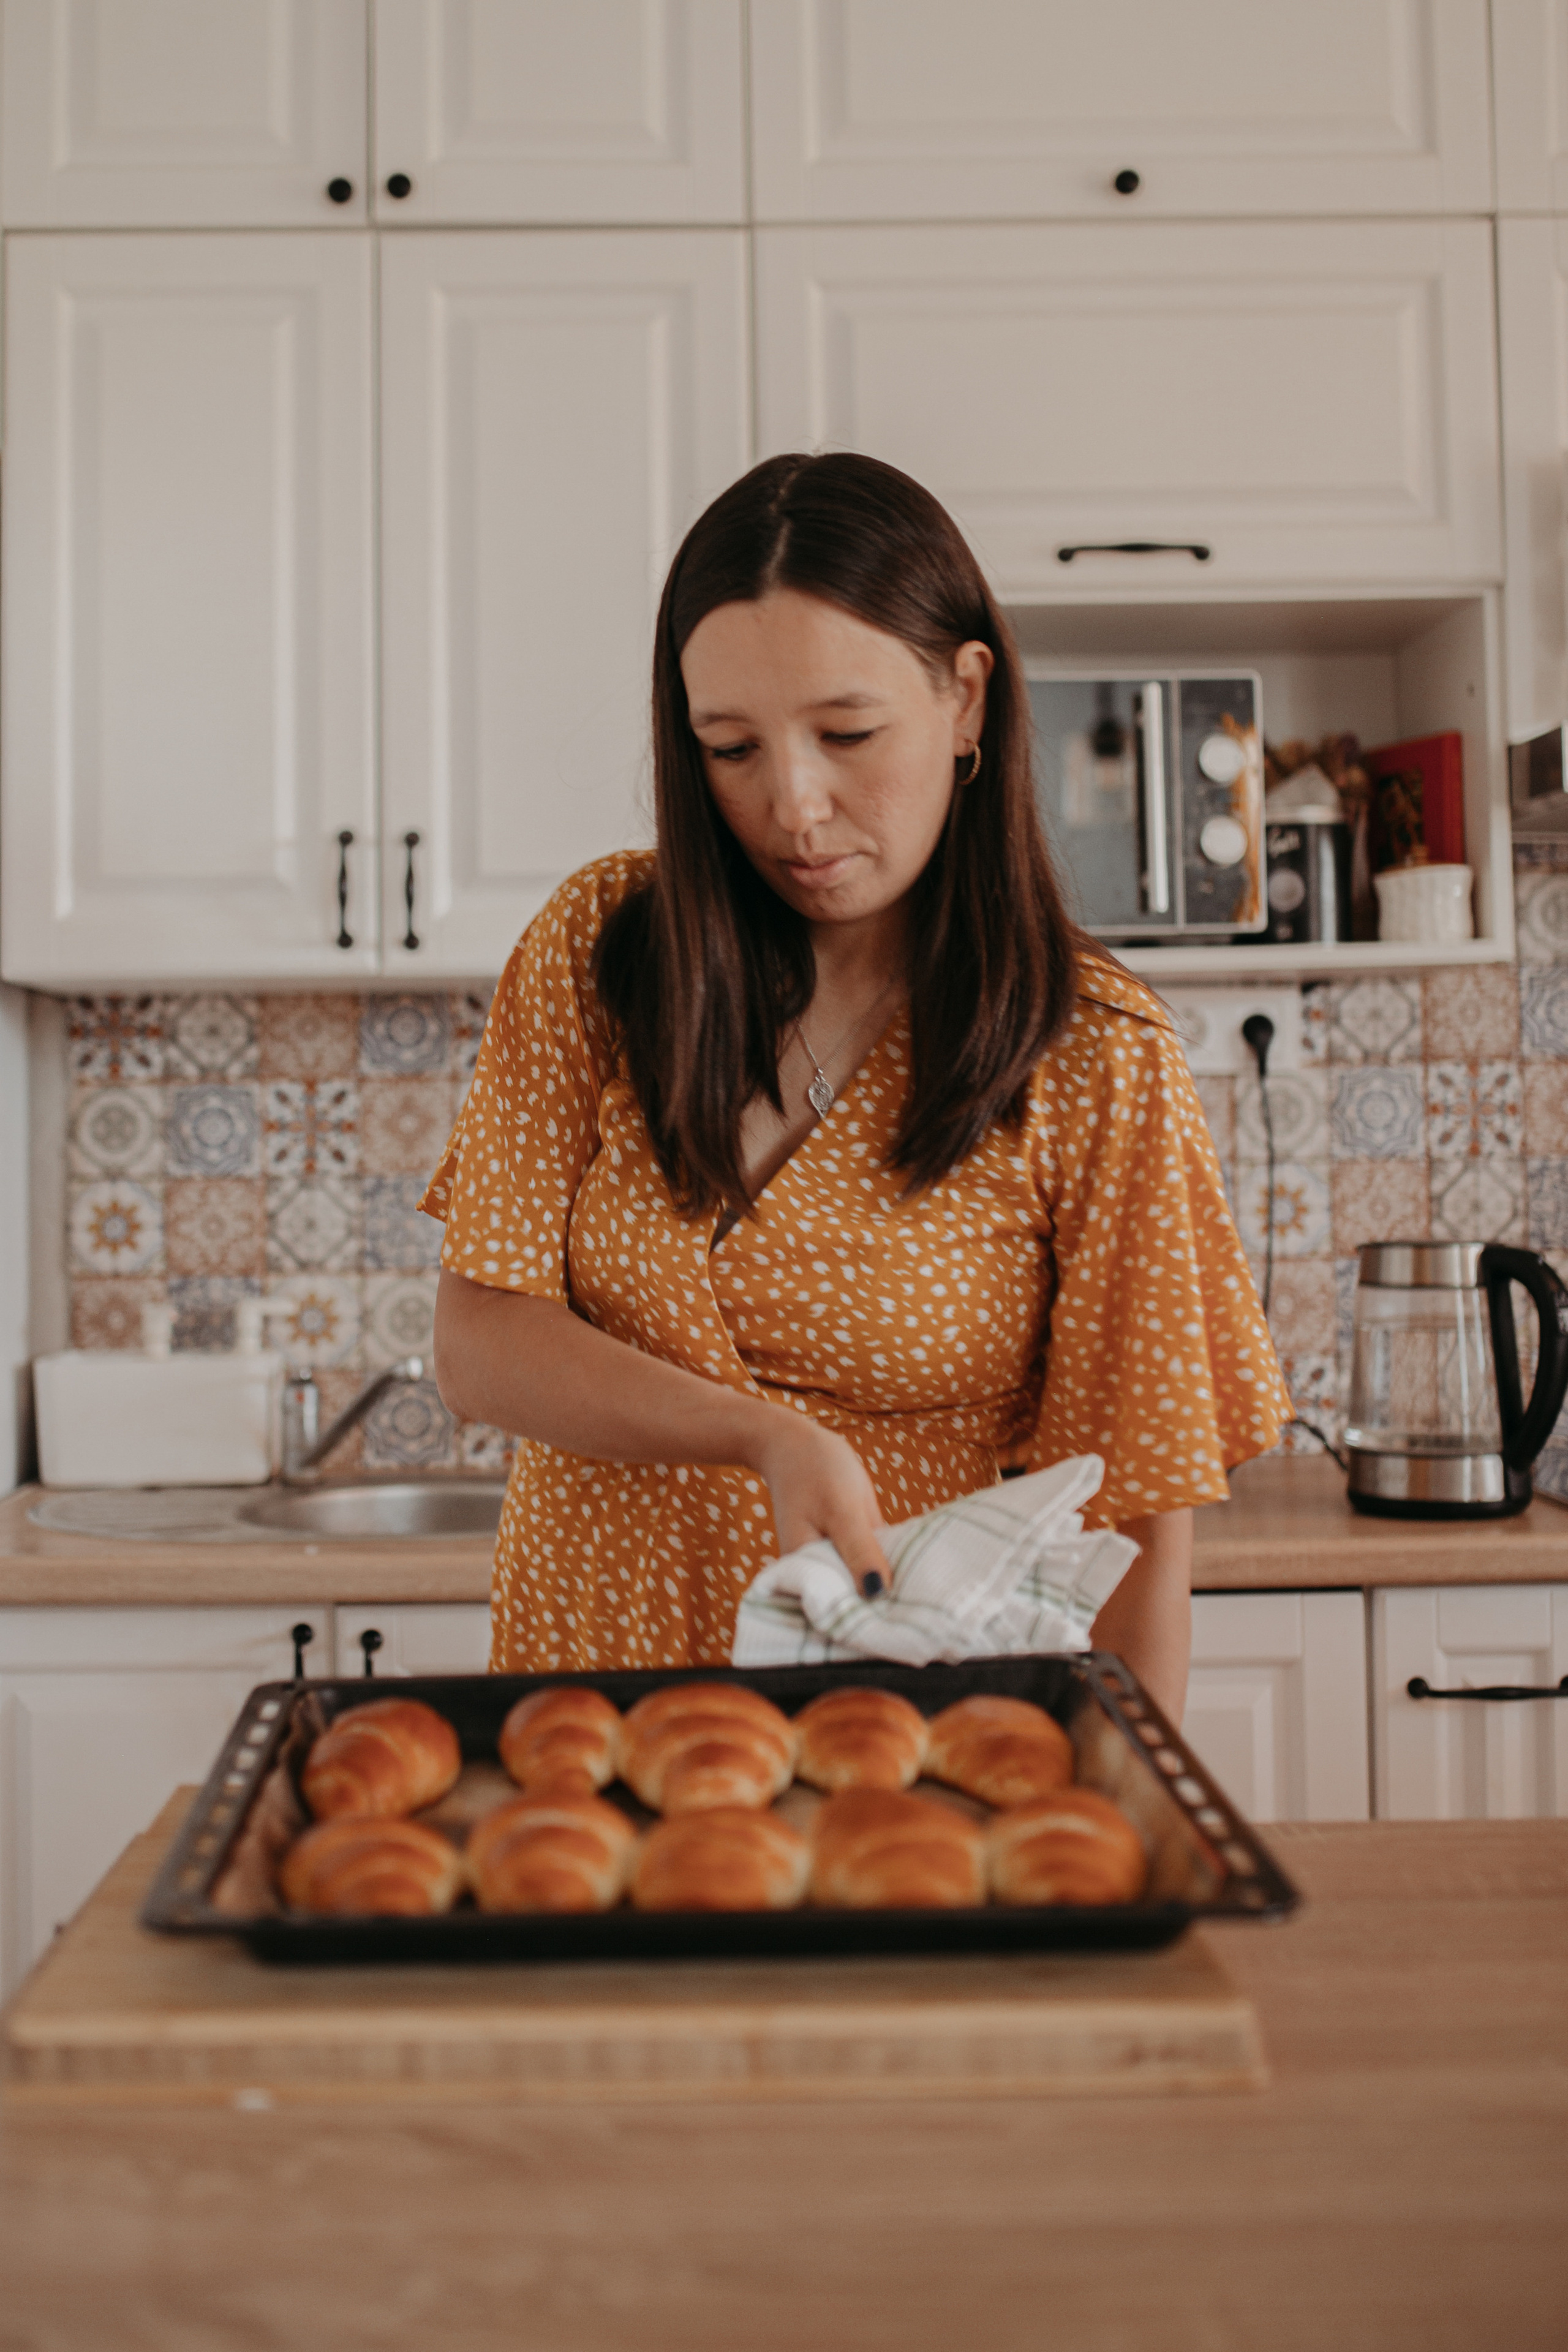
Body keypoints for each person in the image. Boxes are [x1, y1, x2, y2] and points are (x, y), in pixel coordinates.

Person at [424, 453, 1289, 1722]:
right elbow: (479, 1345)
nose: (792, 805)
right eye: (730, 747)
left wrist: (1124, 1809)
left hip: (903, 1730)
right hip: (586, 1712)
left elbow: (1133, 1501)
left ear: (964, 698)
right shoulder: (600, 948)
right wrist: (764, 1433)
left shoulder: (1097, 1053)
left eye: (846, 734)